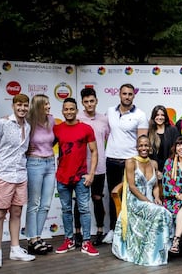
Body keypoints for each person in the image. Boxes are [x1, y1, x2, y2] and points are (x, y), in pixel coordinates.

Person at [0, 94, 36, 268]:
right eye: (19, 105)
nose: (22, 108)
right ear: (13, 106)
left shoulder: (27, 126)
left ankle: (15, 249)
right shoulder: (2, 123)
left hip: (20, 175)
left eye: (25, 105)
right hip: (3, 175)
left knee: (16, 213)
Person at [111, 135, 172, 266]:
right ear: (137, 147)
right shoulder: (131, 162)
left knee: (164, 211)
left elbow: (155, 185)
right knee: (160, 212)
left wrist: (156, 198)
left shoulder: (153, 163)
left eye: (146, 145)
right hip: (135, 201)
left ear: (150, 148)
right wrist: (147, 201)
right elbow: (132, 187)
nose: (143, 148)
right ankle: (150, 254)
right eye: (141, 145)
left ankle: (159, 250)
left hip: (149, 200)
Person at [53, 97, 99, 256]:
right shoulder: (57, 129)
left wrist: (91, 173)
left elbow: (94, 151)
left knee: (84, 209)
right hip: (62, 176)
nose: (69, 112)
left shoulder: (86, 128)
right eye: (66, 109)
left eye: (72, 109)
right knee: (66, 210)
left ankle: (86, 242)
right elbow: (43, 146)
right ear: (62, 111)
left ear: (76, 110)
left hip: (81, 176)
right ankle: (69, 240)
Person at [105, 83, 148, 243]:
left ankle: (129, 230)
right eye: (124, 93)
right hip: (111, 160)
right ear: (119, 94)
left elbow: (142, 142)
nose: (127, 96)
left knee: (130, 196)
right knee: (112, 195)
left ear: (134, 96)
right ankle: (113, 229)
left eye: (130, 94)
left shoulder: (140, 115)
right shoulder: (110, 112)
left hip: (129, 162)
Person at [72, 87, 110, 247]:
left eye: (92, 101)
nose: (89, 104)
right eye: (86, 102)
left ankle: (100, 231)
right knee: (79, 201)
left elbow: (109, 139)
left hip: (99, 166)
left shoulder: (104, 119)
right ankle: (77, 232)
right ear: (82, 103)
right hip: (80, 167)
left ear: (96, 101)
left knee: (97, 199)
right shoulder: (76, 118)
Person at [25, 94, 55, 255]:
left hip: (50, 163)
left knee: (46, 204)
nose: (49, 106)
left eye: (49, 104)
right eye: (46, 104)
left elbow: (53, 140)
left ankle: (38, 236)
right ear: (38, 106)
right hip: (34, 164)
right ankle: (32, 239)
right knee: (34, 204)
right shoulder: (29, 122)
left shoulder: (51, 120)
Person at [148, 105, 179, 179]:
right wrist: (156, 171)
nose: (160, 117)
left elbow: (176, 151)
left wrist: (168, 170)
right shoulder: (149, 131)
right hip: (153, 170)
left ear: (165, 117)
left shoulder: (173, 130)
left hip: (171, 169)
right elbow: (147, 153)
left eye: (162, 115)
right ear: (153, 116)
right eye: (157, 115)